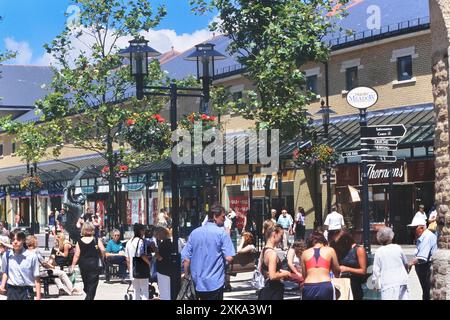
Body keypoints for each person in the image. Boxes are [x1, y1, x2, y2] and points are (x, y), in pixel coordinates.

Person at [182, 205, 235, 300]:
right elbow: (229, 257)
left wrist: (187, 276)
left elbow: (186, 260)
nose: (224, 219)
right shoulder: (222, 234)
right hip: (215, 282)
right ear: (215, 216)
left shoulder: (194, 233)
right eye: (223, 217)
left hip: (197, 282)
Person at [0, 229, 41, 300]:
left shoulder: (32, 256)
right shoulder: (7, 255)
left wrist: (38, 297)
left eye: (18, 239)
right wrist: (2, 285)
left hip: (26, 291)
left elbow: (37, 278)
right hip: (12, 291)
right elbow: (5, 272)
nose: (15, 242)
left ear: (23, 240)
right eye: (13, 240)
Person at [372, 227, 409, 300]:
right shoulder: (398, 248)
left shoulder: (379, 251)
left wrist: (375, 284)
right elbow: (405, 263)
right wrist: (406, 272)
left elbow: (376, 270)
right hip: (402, 280)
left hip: (388, 282)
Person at [70, 221, 105, 300]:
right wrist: (102, 258)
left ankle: (88, 296)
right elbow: (103, 250)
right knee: (93, 285)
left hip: (83, 265)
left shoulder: (79, 241)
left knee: (86, 284)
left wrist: (72, 265)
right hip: (94, 264)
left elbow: (76, 255)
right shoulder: (96, 239)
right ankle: (89, 297)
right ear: (92, 229)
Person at [301, 231, 340, 300]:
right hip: (325, 285)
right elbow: (337, 271)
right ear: (323, 241)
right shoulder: (330, 250)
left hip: (309, 285)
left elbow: (304, 275)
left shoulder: (305, 253)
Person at [330, 231, 367, 300]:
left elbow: (363, 270)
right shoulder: (340, 250)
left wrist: (347, 269)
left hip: (354, 284)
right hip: (341, 283)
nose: (339, 246)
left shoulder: (359, 250)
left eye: (340, 243)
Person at [257, 225, 291, 300]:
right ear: (274, 234)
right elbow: (272, 276)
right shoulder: (272, 254)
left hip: (266, 290)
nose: (282, 239)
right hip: (273, 291)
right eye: (281, 235)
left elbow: (262, 269)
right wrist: (286, 273)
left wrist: (279, 271)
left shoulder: (264, 250)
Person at [407, 216, 437, 300]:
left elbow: (422, 257)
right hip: (424, 268)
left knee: (428, 293)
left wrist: (410, 263)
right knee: (426, 292)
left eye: (414, 228)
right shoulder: (423, 236)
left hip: (427, 268)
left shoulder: (426, 236)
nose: (413, 231)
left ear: (421, 228)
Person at [125, 223, 151, 300]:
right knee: (144, 291)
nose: (144, 232)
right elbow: (141, 254)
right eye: (143, 230)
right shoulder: (141, 241)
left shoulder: (129, 242)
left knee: (136, 291)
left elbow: (127, 258)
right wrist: (149, 263)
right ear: (140, 231)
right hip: (142, 269)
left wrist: (130, 271)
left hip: (133, 270)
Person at [154, 227, 174, 300]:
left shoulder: (164, 244)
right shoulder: (169, 243)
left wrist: (155, 252)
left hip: (163, 271)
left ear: (161, 233)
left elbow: (161, 258)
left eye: (156, 234)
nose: (156, 236)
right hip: (168, 270)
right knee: (167, 291)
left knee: (164, 292)